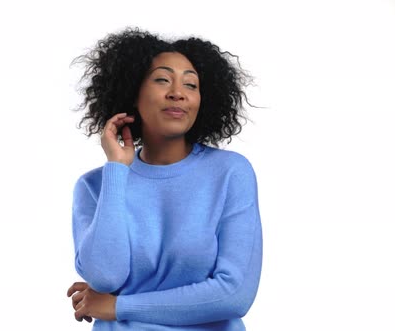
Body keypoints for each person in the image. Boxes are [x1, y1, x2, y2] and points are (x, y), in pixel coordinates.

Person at [66, 27, 263, 331]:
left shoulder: (229, 173)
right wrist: (117, 170)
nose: (177, 92)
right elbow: (106, 276)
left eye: (191, 84)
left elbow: (235, 295)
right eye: (162, 79)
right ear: (133, 92)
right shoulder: (94, 187)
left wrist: (119, 306)